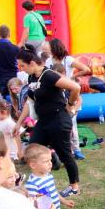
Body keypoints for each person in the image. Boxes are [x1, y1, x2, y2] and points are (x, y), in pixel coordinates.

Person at [14, 48, 82, 197]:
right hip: (43, 121)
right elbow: (30, 101)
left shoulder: (49, 75)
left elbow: (75, 87)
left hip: (58, 120)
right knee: (32, 150)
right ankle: (40, 180)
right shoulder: (32, 77)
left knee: (65, 154)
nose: (20, 69)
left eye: (22, 65)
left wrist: (70, 104)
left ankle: (74, 186)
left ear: (32, 63)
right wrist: (18, 123)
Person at [0, 25, 20, 95]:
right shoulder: (15, 48)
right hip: (12, 75)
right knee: (13, 95)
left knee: (0, 95)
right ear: (9, 34)